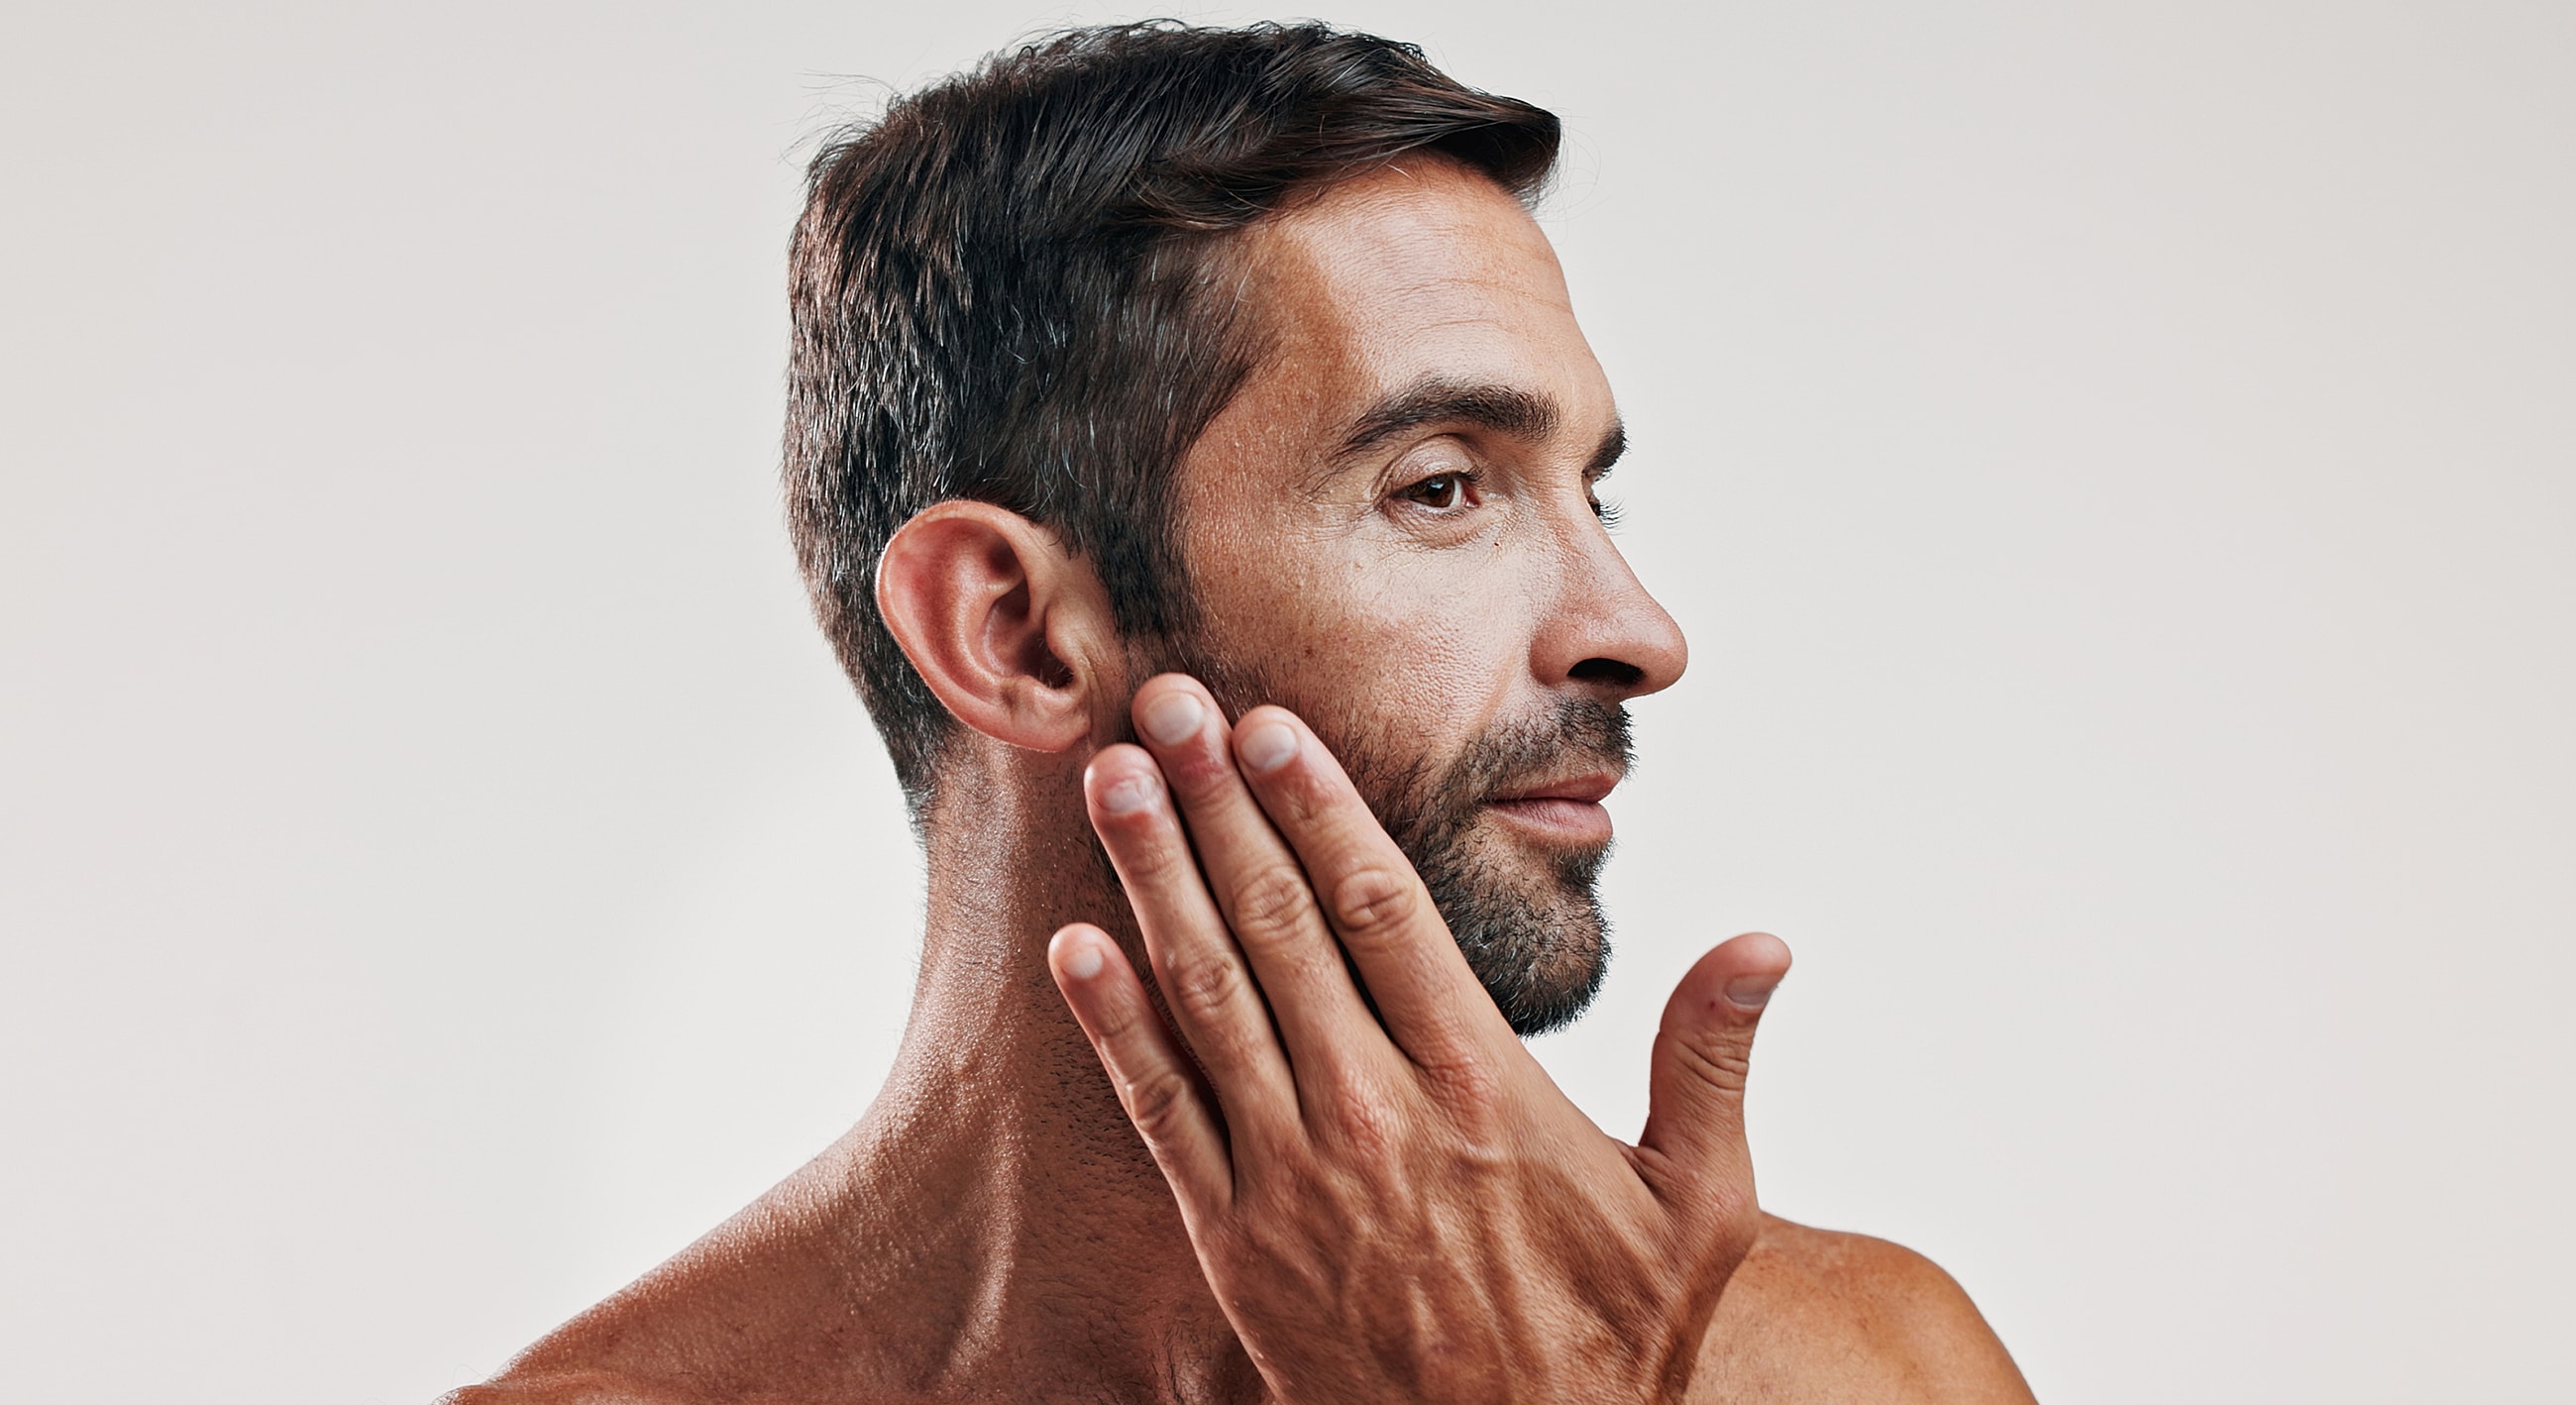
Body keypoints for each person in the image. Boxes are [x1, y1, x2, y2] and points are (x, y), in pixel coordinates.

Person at [449, 22, 2035, 1403]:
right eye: (1442, 487)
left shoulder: (1870, 1369)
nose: (1639, 630)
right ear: (1013, 631)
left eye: (1596, 496)